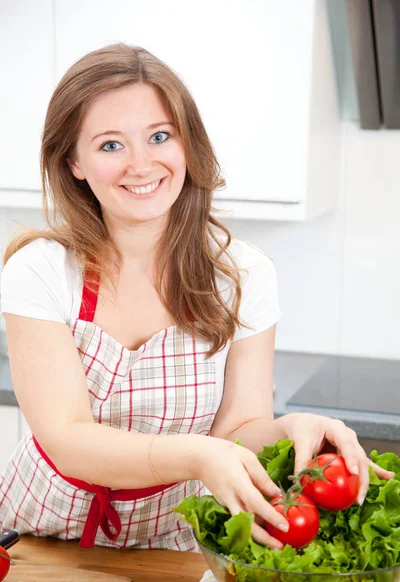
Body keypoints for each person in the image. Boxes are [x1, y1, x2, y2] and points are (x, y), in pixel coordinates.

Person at [0, 43, 393, 552]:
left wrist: (290, 426)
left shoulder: (242, 274)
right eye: (111, 145)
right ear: (73, 161)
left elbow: (236, 430)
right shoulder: (42, 271)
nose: (141, 165)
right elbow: (68, 438)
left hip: (174, 541)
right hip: (42, 537)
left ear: (186, 143)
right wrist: (197, 455)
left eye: (159, 136)